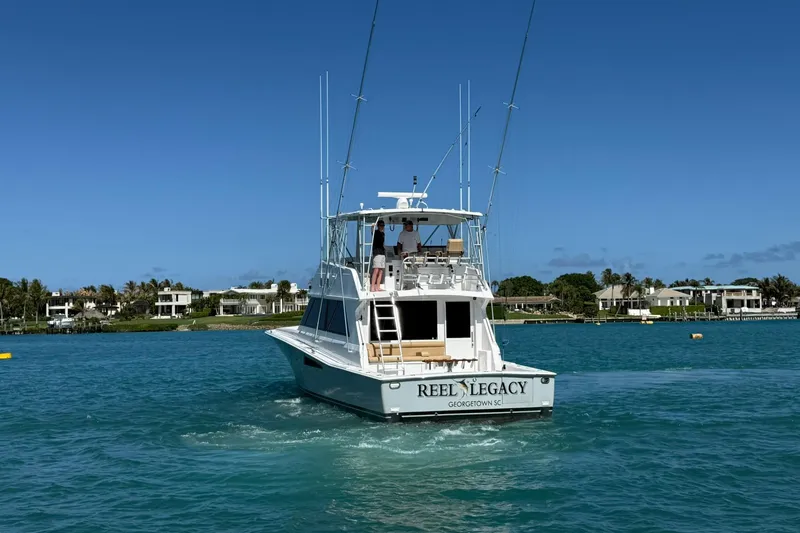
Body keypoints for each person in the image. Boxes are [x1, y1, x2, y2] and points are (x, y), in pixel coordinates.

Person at [370, 220, 386, 291]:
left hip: (382, 253)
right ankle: (372, 286)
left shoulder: (383, 234)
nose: (382, 227)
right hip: (377, 253)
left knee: (381, 271)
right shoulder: (375, 232)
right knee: (376, 270)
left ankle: (378, 287)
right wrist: (372, 226)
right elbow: (372, 232)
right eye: (380, 225)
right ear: (378, 226)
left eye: (383, 226)